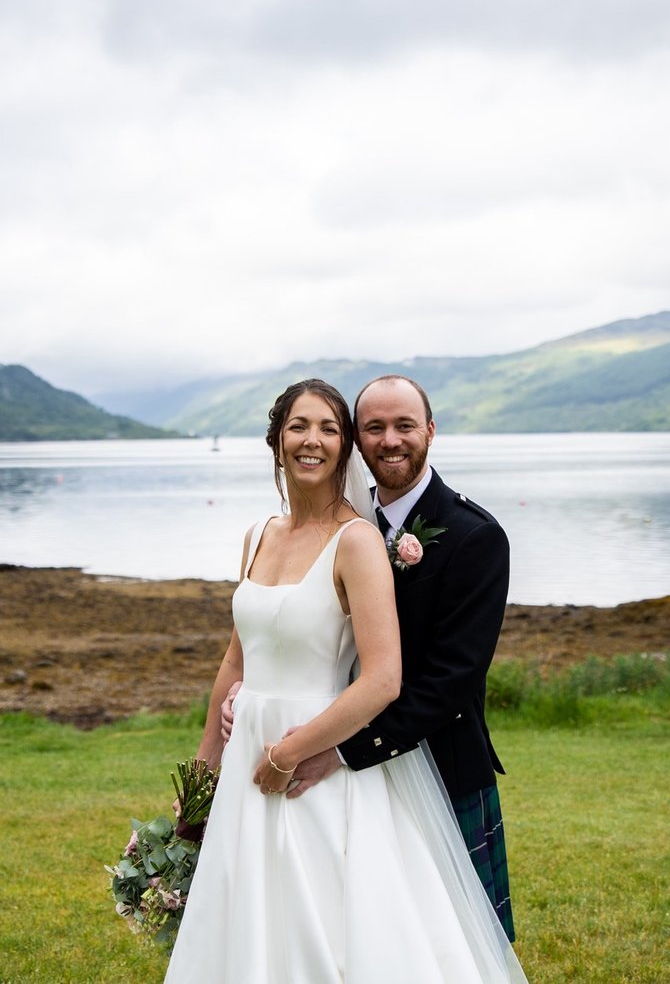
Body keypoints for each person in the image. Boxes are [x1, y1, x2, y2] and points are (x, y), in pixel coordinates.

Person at [164, 379, 524, 984]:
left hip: (426, 755)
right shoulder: (275, 532)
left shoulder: (465, 534)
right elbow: (243, 653)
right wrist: (210, 759)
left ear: (429, 431)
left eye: (404, 425)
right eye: (373, 427)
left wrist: (327, 750)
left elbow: (444, 678)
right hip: (267, 749)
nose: (390, 440)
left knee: (433, 930)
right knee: (251, 917)